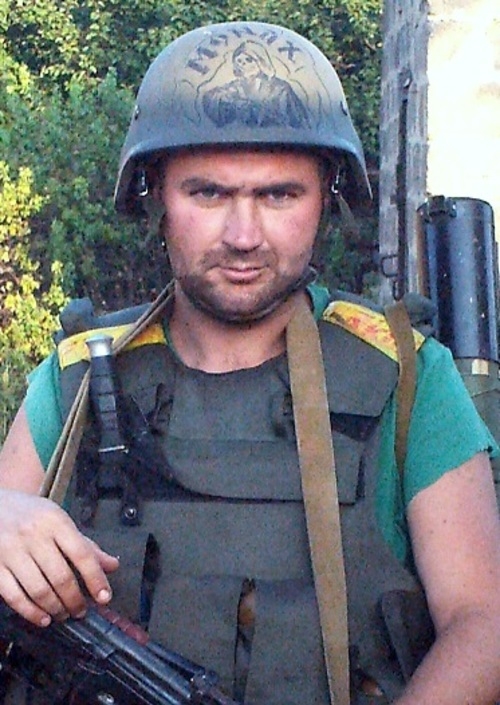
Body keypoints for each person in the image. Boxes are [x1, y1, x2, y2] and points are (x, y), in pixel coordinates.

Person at [1, 20, 500, 705]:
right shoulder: (79, 379)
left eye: (278, 194)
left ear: (326, 198)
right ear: (155, 197)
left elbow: (483, 624)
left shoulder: (405, 377)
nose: (243, 236)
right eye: (208, 193)